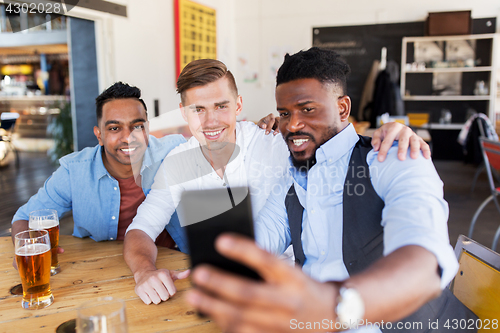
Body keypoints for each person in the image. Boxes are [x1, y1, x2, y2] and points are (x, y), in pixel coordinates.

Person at [186, 48, 476, 332]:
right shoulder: (292, 175)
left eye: (307, 109)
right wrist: (217, 263)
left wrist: (337, 305)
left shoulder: (394, 157)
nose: (293, 124)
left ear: (342, 108)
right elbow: (263, 235)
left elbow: (425, 260)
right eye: (284, 113)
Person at [123, 58, 430, 305]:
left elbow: (422, 255)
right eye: (198, 110)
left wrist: (393, 132)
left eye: (221, 106)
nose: (210, 121)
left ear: (239, 106)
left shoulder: (279, 146)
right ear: (184, 113)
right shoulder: (181, 163)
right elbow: (265, 233)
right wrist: (150, 271)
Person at [11, 82, 186, 251]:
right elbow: (24, 218)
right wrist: (30, 250)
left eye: (137, 126)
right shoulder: (74, 171)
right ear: (99, 135)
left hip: (166, 263)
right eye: (114, 128)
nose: (128, 137)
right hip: (98, 270)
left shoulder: (173, 151)